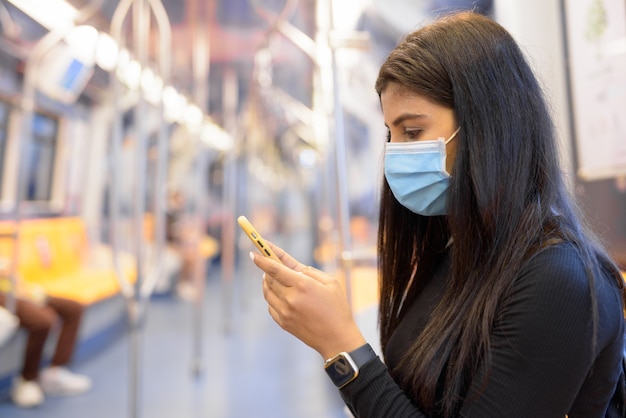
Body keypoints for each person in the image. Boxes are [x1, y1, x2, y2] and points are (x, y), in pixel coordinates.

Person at [249, 11, 626, 417]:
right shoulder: (462, 252)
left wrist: (342, 347)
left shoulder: (560, 282)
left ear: (486, 124)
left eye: (412, 132)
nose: (395, 152)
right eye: (391, 134)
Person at [0, 280, 92, 408]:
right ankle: (27, 380)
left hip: (15, 287)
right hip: (4, 294)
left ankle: (54, 372)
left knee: (73, 308)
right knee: (43, 320)